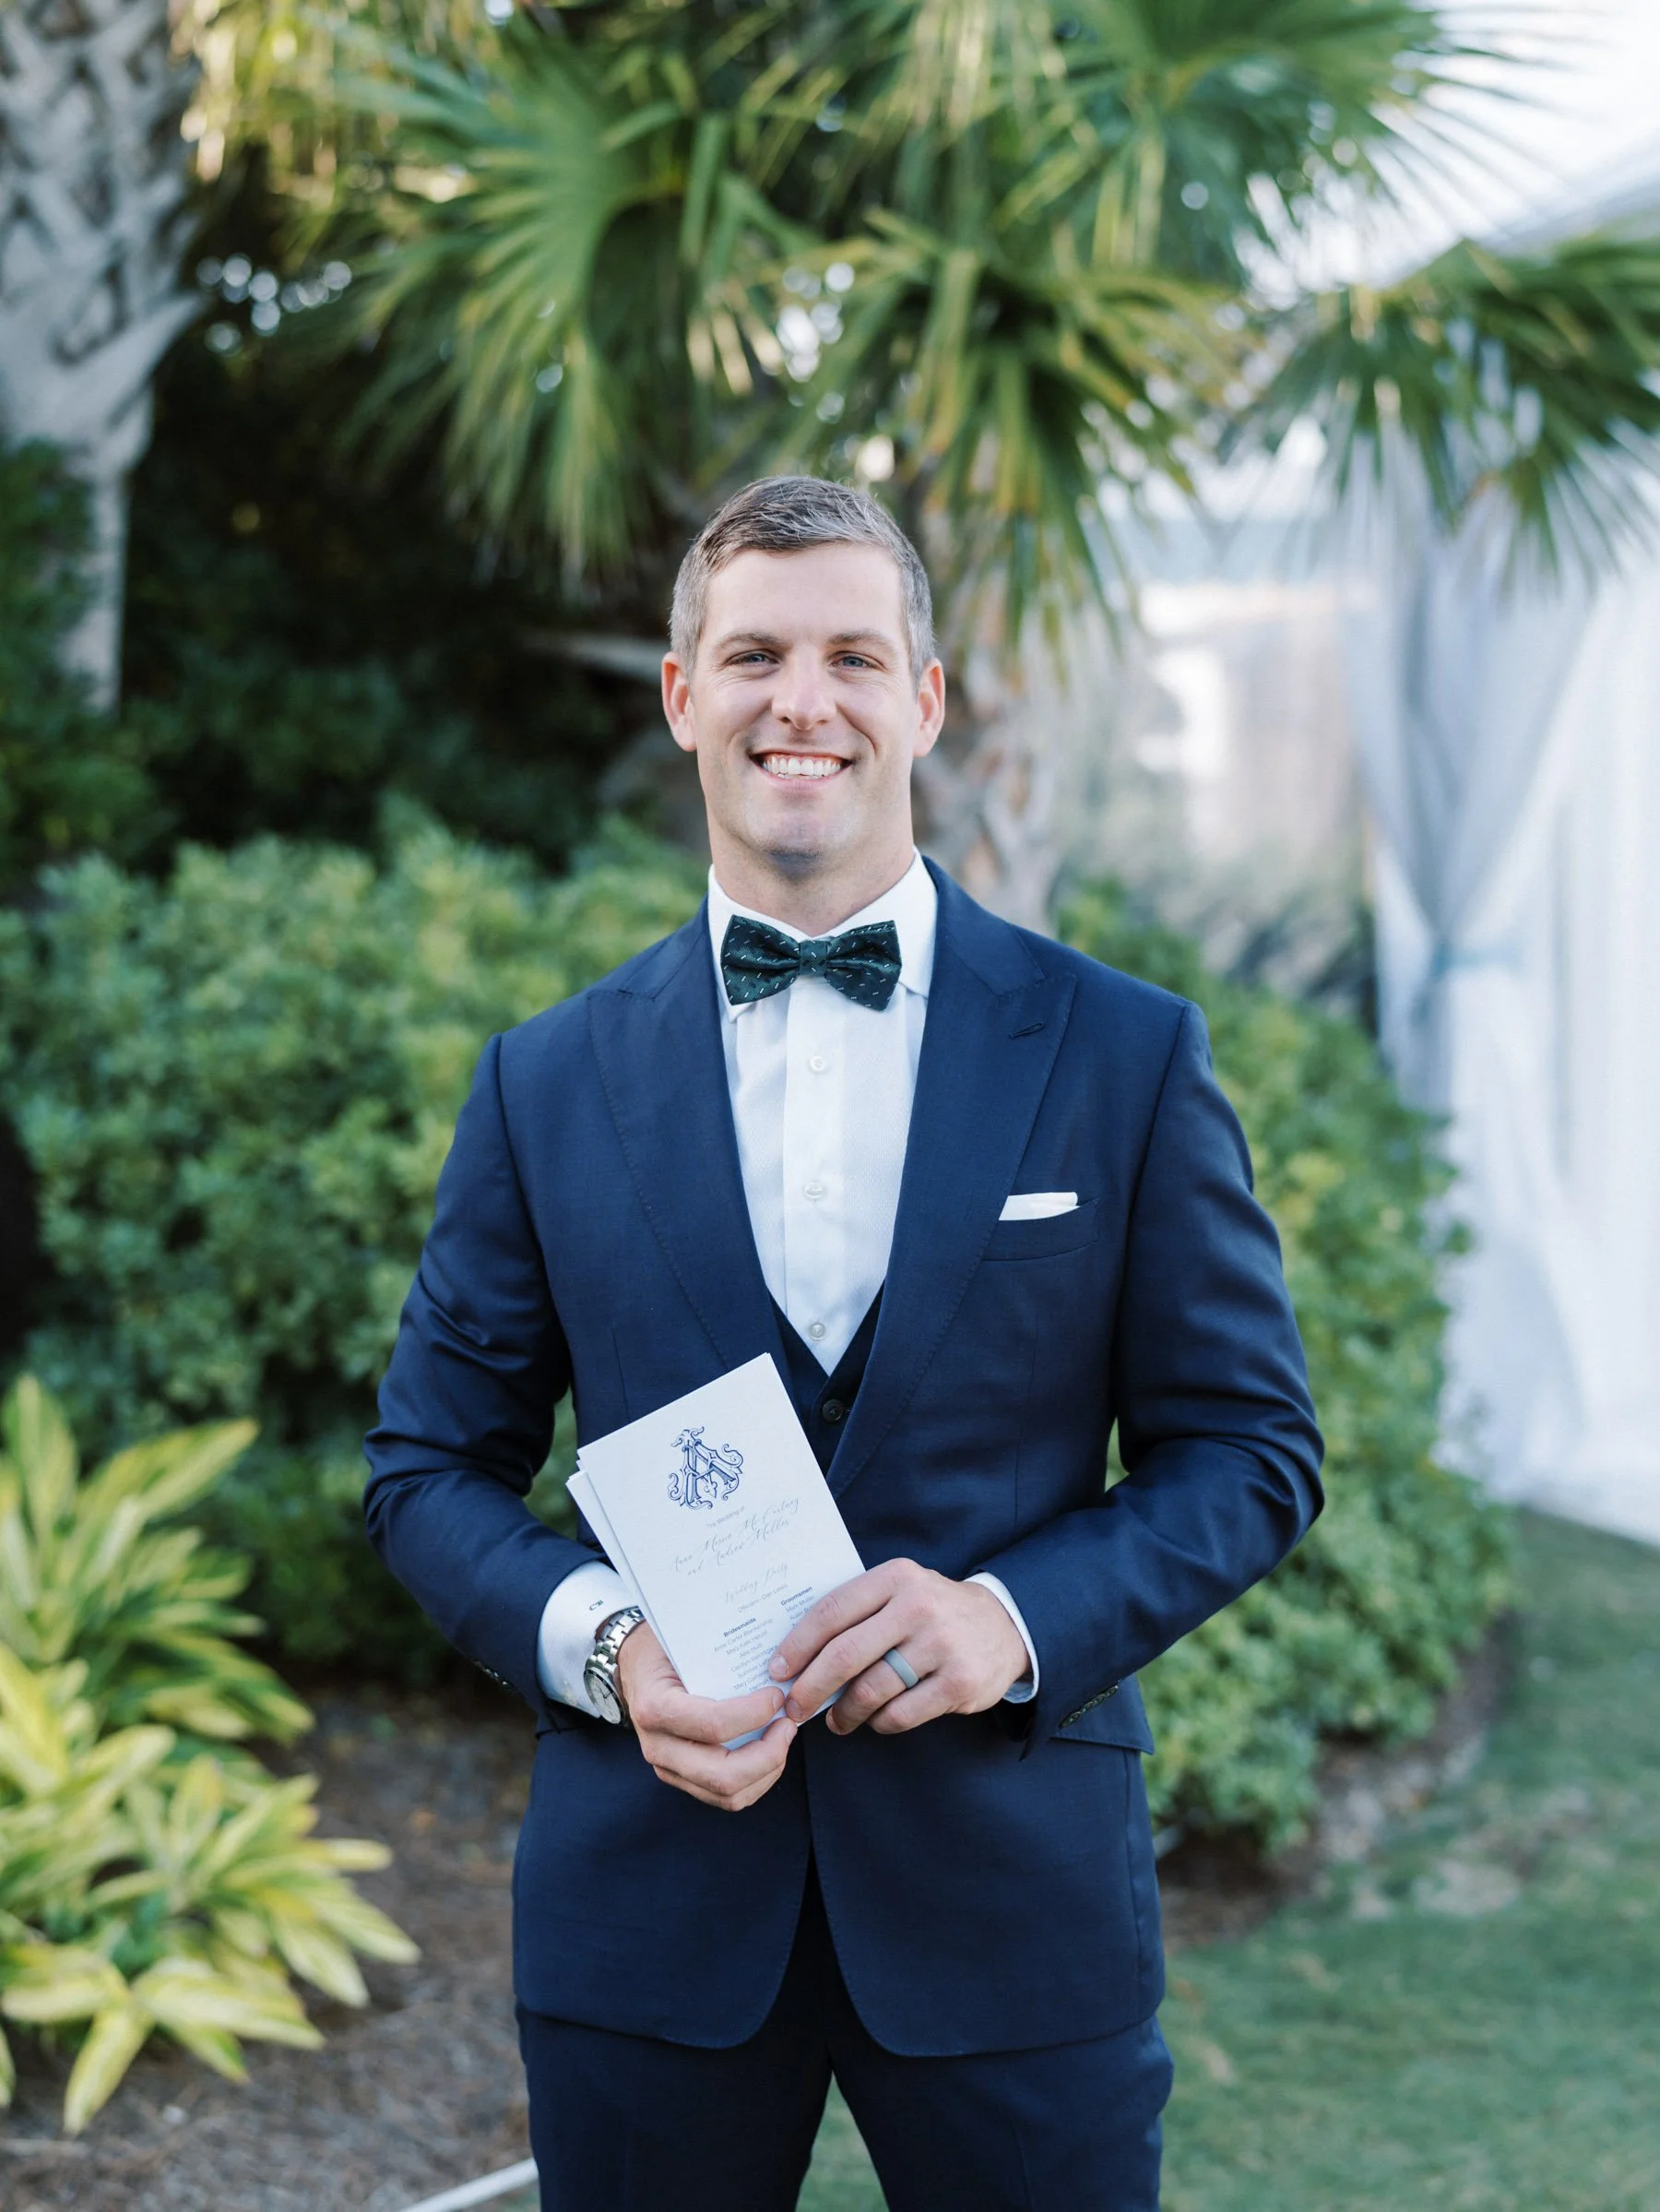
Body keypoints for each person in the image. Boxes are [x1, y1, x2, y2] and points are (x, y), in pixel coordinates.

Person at [363, 475, 1323, 2211]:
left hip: (1010, 1903)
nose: (801, 698)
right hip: (650, 1910)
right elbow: (426, 1467)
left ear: (925, 699)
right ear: (681, 697)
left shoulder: (1123, 1055)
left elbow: (1251, 1453)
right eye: (753, 654)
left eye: (853, 656)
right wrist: (607, 1644)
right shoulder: (547, 1080)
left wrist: (1008, 1619)